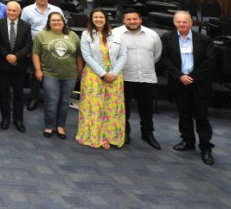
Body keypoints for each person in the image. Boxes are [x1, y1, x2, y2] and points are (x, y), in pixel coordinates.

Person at [160, 11, 216, 164]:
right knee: (184, 114)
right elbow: (165, 59)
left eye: (184, 21)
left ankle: (205, 147)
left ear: (191, 23)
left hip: (199, 83)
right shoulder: (167, 38)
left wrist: (193, 78)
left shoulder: (204, 39)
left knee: (202, 116)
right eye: (178, 21)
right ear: (174, 23)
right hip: (179, 82)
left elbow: (210, 62)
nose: (181, 24)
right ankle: (188, 141)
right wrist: (180, 76)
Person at [77, 9, 127, 149]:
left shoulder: (116, 34)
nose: (98, 19)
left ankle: (109, 137)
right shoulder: (86, 35)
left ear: (106, 19)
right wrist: (103, 74)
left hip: (114, 75)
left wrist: (113, 73)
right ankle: (95, 136)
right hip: (94, 75)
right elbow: (87, 56)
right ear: (91, 19)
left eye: (101, 17)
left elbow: (123, 55)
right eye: (95, 17)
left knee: (111, 107)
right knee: (95, 107)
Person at [113, 9, 162, 148]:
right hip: (124, 77)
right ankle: (124, 133)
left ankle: (147, 134)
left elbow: (156, 55)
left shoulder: (152, 35)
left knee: (146, 109)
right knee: (123, 108)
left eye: (135, 19)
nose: (132, 22)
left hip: (147, 77)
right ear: (123, 20)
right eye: (129, 19)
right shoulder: (115, 34)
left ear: (140, 19)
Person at [32, 12, 82, 139]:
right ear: (49, 22)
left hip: (69, 75)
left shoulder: (72, 35)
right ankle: (49, 126)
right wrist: (38, 70)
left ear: (64, 21)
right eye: (53, 20)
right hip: (50, 74)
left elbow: (79, 56)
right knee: (52, 101)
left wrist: (79, 72)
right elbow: (35, 53)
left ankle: (61, 126)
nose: (56, 22)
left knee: (65, 102)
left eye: (59, 20)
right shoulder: (41, 35)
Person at [21, 0, 64, 111]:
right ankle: (34, 98)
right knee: (35, 72)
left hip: (52, 44)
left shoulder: (56, 10)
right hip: (34, 45)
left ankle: (51, 99)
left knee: (52, 72)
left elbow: (62, 26)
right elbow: (23, 29)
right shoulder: (27, 10)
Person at [0, 1, 32, 132]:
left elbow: (28, 45)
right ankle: (5, 118)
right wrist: (8, 56)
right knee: (3, 93)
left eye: (14, 11)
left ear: (19, 12)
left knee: (19, 94)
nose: (11, 13)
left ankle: (18, 119)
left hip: (19, 65)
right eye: (9, 10)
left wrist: (16, 57)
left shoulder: (26, 26)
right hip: (3, 65)